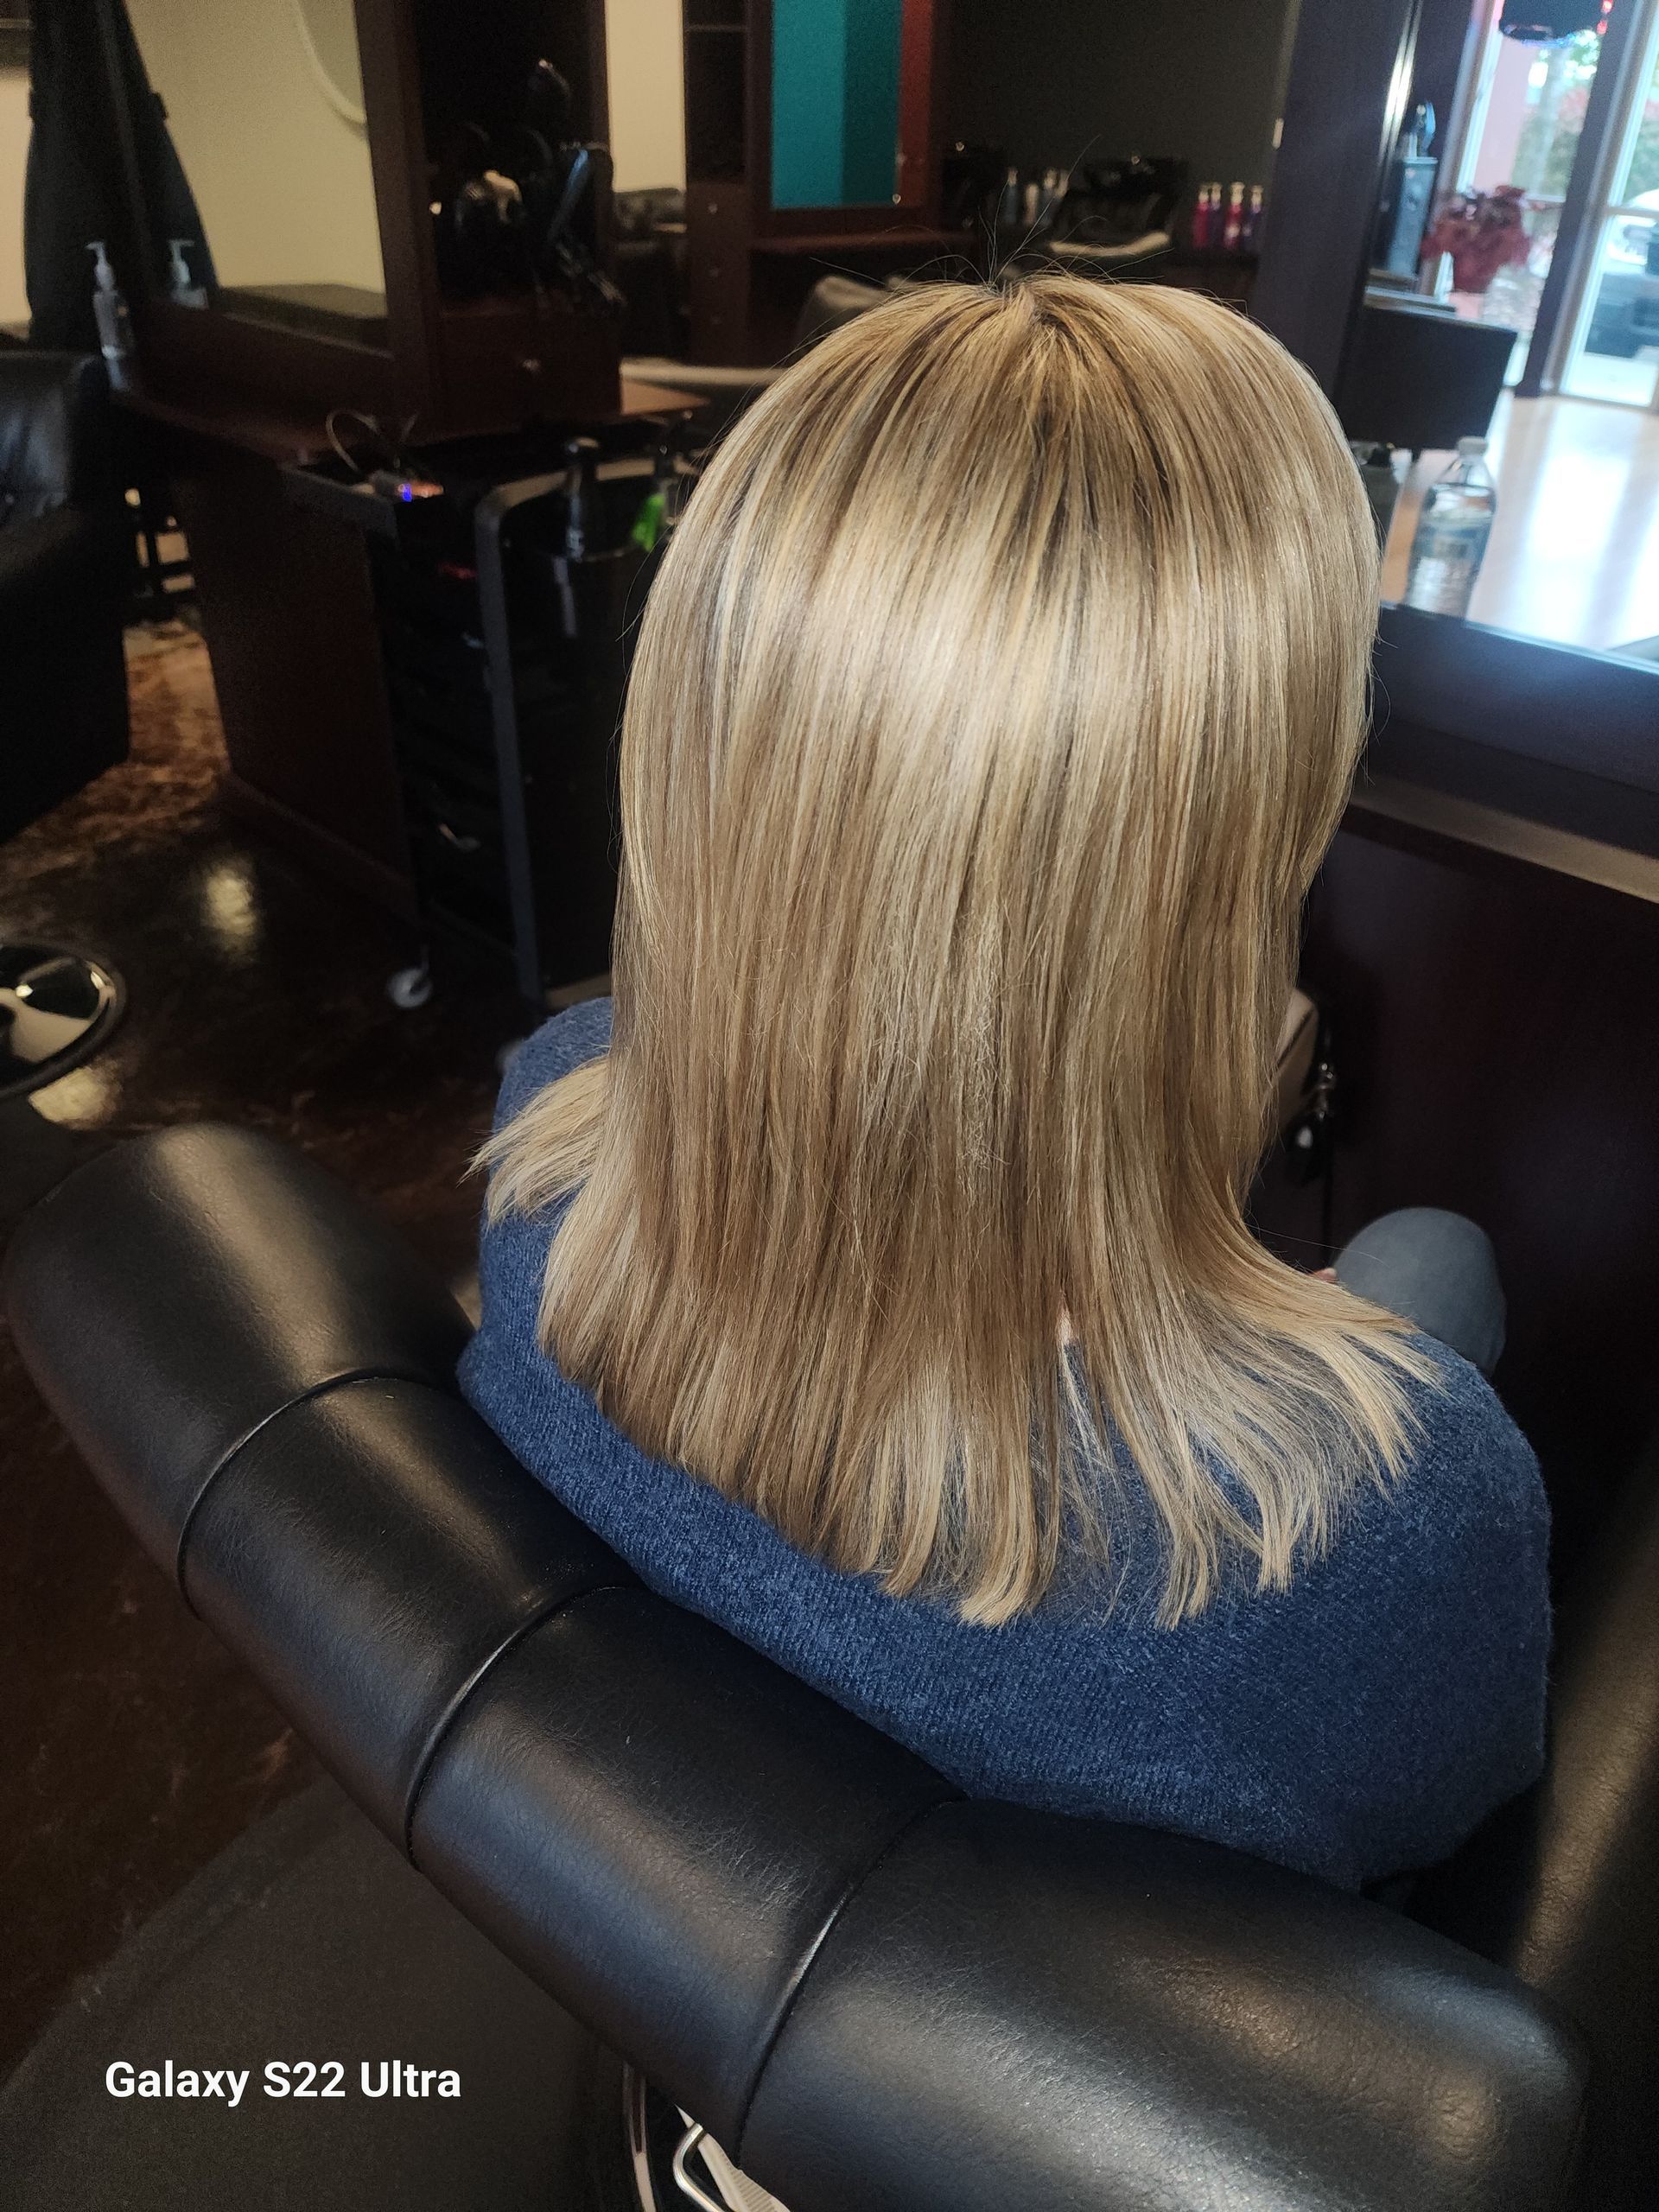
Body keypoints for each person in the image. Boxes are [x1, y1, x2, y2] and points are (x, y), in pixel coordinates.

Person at [461, 275, 1547, 1893]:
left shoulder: (543, 1152)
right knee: (1440, 1266)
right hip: (1106, 2108)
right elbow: (1462, 1849)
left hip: (665, 1951)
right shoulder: (1380, 1533)